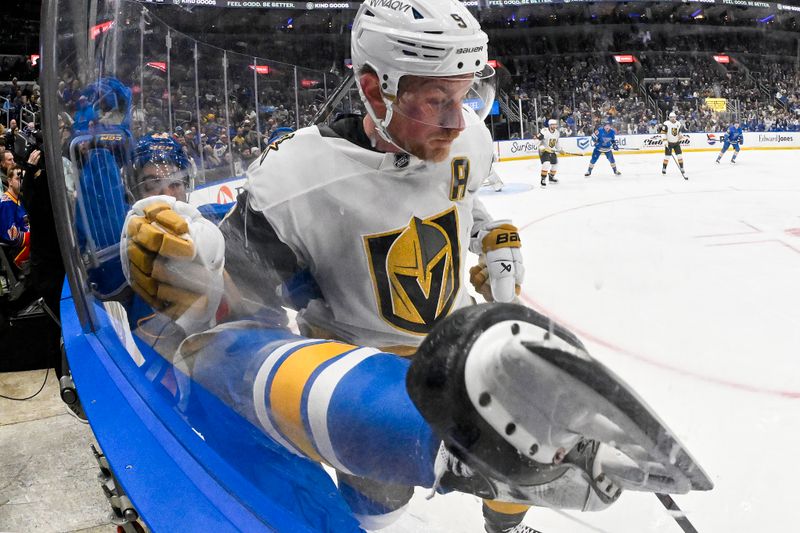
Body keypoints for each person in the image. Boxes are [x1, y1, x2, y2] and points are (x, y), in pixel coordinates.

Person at [120, 1, 708, 530]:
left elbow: (465, 200)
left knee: (528, 434)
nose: (459, 122)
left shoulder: (466, 139)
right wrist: (192, 269)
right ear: (375, 91)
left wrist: (493, 238)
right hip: (365, 368)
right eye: (437, 101)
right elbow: (237, 300)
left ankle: (503, 530)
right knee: (380, 502)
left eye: (467, 94)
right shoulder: (294, 181)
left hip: (458, 336)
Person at [0, 166, 30, 270]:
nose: (21, 182)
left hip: (30, 245)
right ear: (9, 181)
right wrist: (34, 236)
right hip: (18, 253)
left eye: (22, 178)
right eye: (17, 179)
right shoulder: (5, 203)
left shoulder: (20, 198)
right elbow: (12, 237)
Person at [536, 118, 564, 186]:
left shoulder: (557, 133)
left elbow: (556, 143)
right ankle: (543, 179)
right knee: (546, 164)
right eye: (553, 125)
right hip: (544, 150)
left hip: (551, 151)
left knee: (555, 164)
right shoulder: (544, 131)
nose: (554, 126)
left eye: (555, 125)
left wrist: (560, 149)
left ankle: (551, 177)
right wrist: (540, 147)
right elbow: (537, 140)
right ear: (549, 125)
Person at [660, 111, 687, 178]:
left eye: (674, 117)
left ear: (675, 117)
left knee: (679, 156)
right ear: (669, 117)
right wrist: (665, 141)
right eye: (671, 117)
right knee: (667, 157)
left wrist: (681, 136)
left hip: (676, 143)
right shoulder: (666, 124)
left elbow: (679, 132)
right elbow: (663, 133)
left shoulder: (678, 123)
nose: (672, 118)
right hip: (668, 143)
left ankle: (682, 168)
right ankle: (664, 168)